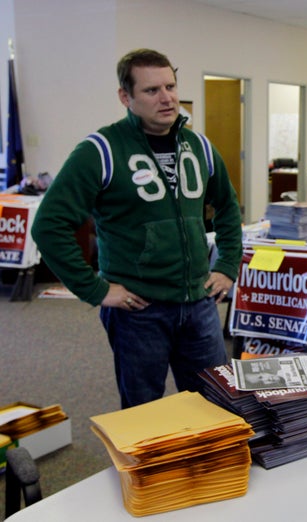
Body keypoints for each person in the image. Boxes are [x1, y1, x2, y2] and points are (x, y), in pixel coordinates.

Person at [31, 49, 243, 409]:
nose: (167, 97)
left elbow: (227, 207)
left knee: (217, 405)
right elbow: (48, 226)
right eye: (152, 90)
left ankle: (208, 468)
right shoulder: (100, 150)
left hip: (199, 304)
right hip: (138, 311)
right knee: (144, 413)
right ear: (125, 97)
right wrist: (95, 289)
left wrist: (226, 267)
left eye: (171, 86)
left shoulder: (199, 146)